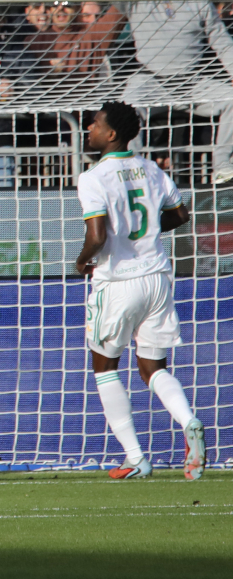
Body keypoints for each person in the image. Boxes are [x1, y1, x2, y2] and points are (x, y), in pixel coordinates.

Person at [73, 101, 206, 480]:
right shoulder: (150, 168)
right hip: (157, 278)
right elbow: (181, 214)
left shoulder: (93, 176)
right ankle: (188, 419)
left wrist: (82, 261)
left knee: (104, 369)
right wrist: (145, 231)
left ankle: (136, 458)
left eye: (94, 124)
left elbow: (97, 236)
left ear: (111, 134)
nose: (89, 129)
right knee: (152, 368)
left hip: (117, 282)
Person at [100, 0, 233, 182]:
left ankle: (222, 165)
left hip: (192, 84)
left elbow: (222, 42)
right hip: (150, 81)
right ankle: (131, 172)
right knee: (125, 107)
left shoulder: (199, 0)